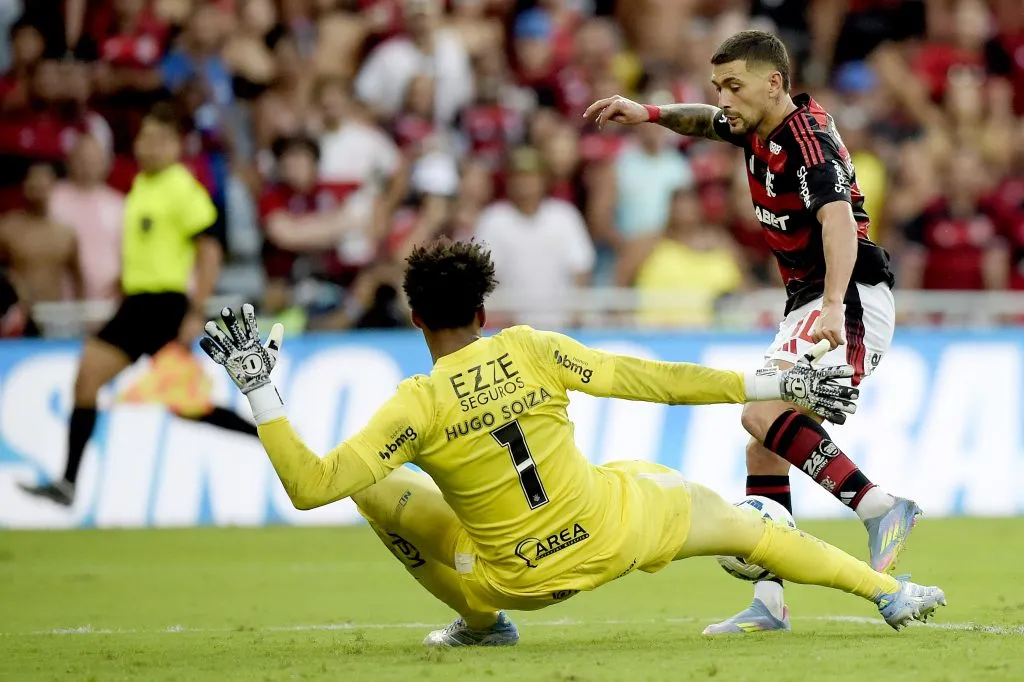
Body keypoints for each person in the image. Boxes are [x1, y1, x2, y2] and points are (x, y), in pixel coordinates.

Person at [199, 238, 945, 647]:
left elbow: (310, 484)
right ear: (484, 311)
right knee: (729, 517)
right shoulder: (531, 349)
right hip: (613, 530)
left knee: (369, 488)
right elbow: (655, 380)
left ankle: (481, 626)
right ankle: (891, 592)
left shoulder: (413, 406)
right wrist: (772, 385)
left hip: (507, 576)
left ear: (416, 320)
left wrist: (263, 390)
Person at [583, 30, 916, 634]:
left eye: (733, 86)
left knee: (760, 412)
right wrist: (650, 113)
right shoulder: (752, 123)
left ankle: (881, 508)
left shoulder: (809, 142)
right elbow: (703, 122)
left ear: (775, 83)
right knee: (762, 445)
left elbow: (839, 222)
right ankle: (770, 603)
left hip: (847, 295)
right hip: (808, 299)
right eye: (719, 86)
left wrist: (835, 306)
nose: (723, 99)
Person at [18, 103, 255, 508]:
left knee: (185, 404)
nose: (148, 146)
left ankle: (271, 435)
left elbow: (209, 250)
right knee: (91, 380)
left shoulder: (182, 188)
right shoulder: (142, 185)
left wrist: (195, 311)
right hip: (138, 302)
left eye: (158, 139)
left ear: (176, 146)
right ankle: (68, 482)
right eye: (144, 137)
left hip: (164, 306)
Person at [0, 162, 83, 337]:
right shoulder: (7, 228)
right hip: (17, 317)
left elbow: (78, 280)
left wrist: (80, 317)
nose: (38, 187)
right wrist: (14, 282)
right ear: (23, 185)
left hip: (55, 317)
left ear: (54, 187)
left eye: (44, 182)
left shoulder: (66, 233)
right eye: (33, 182)